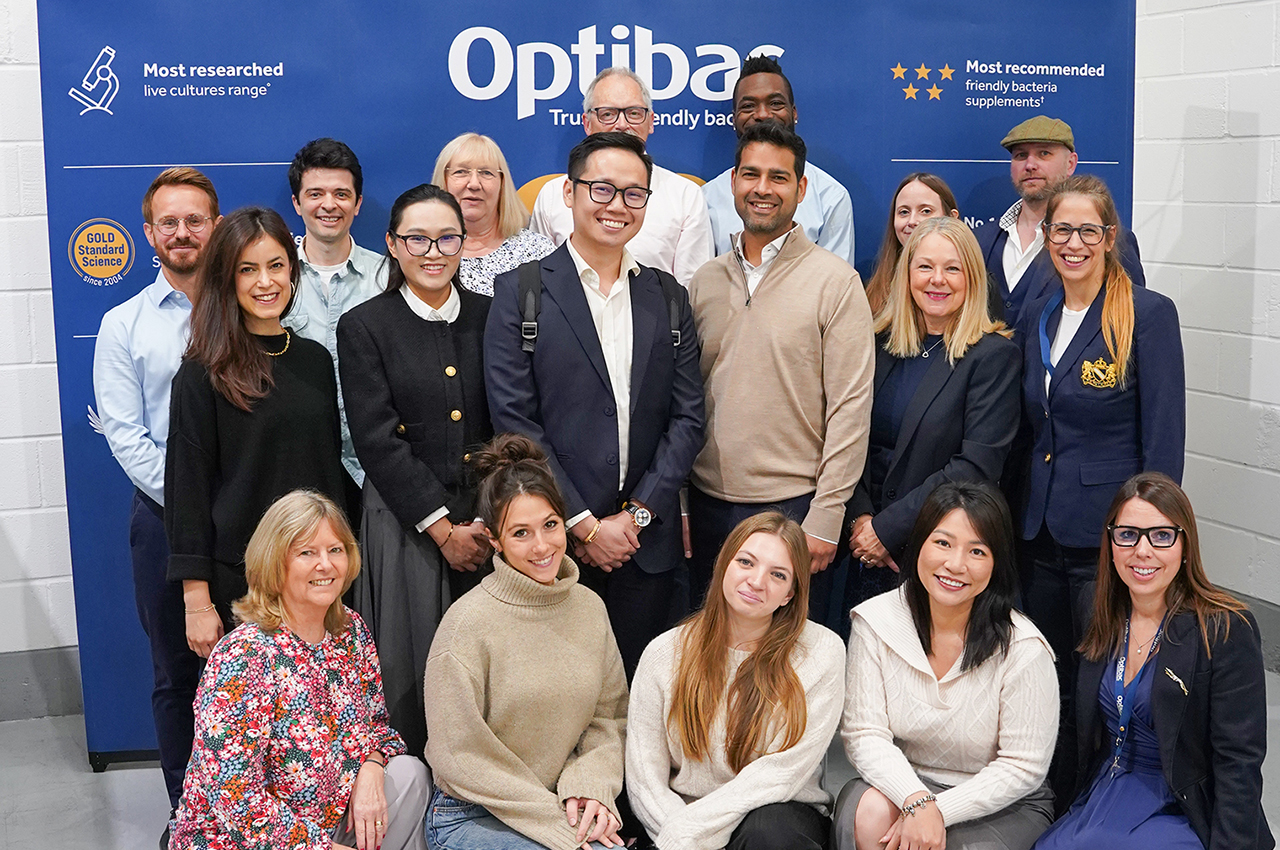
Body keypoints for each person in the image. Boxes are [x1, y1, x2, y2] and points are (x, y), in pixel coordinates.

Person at [486, 131, 705, 678]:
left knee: (647, 698)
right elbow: (515, 420)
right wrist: (582, 523)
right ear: (569, 192)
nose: (617, 206)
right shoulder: (521, 290)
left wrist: (635, 516)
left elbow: (687, 417)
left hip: (645, 545)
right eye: (602, 189)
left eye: (635, 194)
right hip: (552, 548)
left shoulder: (668, 295)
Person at [1015, 175, 1185, 780]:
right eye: (1062, 230)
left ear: (1110, 237)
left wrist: (1149, 540)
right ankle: (1052, 796)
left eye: (1089, 230)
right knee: (1047, 676)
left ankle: (1101, 797)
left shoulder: (1147, 314)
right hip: (1038, 535)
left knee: (1103, 683)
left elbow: (1163, 442)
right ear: (1047, 237)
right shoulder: (1038, 314)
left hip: (1107, 538)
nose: (1074, 243)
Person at [687, 120, 874, 625]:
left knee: (790, 667)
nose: (763, 189)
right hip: (708, 509)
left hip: (795, 509)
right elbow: (684, 403)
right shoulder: (703, 283)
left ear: (801, 188)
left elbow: (850, 409)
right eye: (751, 175)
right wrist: (680, 502)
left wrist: (827, 514)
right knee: (713, 658)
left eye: (779, 177)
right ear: (733, 182)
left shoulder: (836, 283)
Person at [170, 490, 429, 850]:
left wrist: (371, 766)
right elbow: (235, 797)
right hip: (244, 840)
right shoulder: (243, 656)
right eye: (307, 552)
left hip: (330, 818)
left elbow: (377, 727)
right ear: (276, 562)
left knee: (410, 775)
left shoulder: (350, 631)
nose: (325, 564)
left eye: (335, 550)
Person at [1033, 472, 1273, 850]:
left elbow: (1238, 762)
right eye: (1127, 535)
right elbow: (1075, 728)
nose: (1142, 551)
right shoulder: (1095, 606)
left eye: (1161, 536)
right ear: (1110, 543)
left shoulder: (1225, 629)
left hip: (1181, 805)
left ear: (1185, 545)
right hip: (1103, 789)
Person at [336, 184, 493, 758]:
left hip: (489, 523)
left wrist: (485, 519)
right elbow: (376, 439)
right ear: (392, 245)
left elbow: (508, 423)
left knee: (487, 665)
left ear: (464, 242)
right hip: (407, 524)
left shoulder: (491, 315)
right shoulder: (364, 326)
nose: (433, 251)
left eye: (446, 237)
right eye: (417, 239)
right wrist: (444, 528)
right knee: (411, 664)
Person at [92, 166, 220, 843]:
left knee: (257, 666)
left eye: (194, 220)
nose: (181, 232)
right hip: (165, 521)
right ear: (148, 234)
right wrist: (200, 503)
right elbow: (127, 438)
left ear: (215, 226)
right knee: (177, 673)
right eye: (167, 222)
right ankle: (190, 813)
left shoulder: (250, 306)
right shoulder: (123, 325)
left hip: (250, 525)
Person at [423, 433, 628, 850]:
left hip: (559, 805)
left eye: (550, 525)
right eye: (520, 533)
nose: (541, 546)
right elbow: (460, 756)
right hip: (470, 815)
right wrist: (555, 825)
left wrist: (589, 787)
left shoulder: (589, 608)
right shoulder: (466, 625)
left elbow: (609, 719)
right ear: (495, 541)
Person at [835, 481, 1058, 850]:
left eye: (977, 551)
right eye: (943, 543)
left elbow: (1023, 767)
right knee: (869, 813)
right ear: (919, 543)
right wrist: (916, 800)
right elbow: (864, 734)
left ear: (997, 562)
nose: (956, 564)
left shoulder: (1024, 647)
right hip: (904, 783)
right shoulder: (875, 621)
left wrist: (936, 811)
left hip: (998, 803)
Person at [166, 206, 347, 648]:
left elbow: (328, 468)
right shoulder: (202, 372)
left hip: (319, 578)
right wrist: (197, 602)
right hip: (243, 584)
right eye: (248, 270)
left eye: (276, 266)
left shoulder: (315, 360)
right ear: (227, 278)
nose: (265, 282)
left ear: (292, 269)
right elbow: (186, 489)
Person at [627, 511, 845, 850]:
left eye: (778, 574)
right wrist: (682, 837)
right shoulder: (665, 652)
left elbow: (782, 773)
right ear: (723, 565)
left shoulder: (822, 652)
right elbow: (645, 778)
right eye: (746, 562)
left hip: (775, 815)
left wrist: (694, 830)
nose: (757, 581)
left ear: (790, 593)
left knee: (769, 833)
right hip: (677, 822)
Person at [846, 216, 1020, 609]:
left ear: (972, 277)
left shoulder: (994, 356)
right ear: (907, 275)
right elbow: (847, 436)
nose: (936, 279)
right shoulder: (878, 343)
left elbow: (974, 467)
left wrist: (886, 530)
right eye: (924, 266)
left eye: (952, 268)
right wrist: (859, 521)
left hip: (940, 557)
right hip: (861, 551)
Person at [529, 66, 714, 286]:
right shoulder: (553, 194)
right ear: (587, 123)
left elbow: (691, 289)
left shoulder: (685, 195)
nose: (622, 124)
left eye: (634, 113)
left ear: (651, 121)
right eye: (608, 114)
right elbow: (538, 283)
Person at [284, 138, 387, 514]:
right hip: (296, 472)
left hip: (376, 473)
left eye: (342, 194)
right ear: (297, 203)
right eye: (315, 194)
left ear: (358, 204)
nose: (329, 205)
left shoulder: (388, 277)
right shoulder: (273, 282)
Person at [976, 115, 1146, 327]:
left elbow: (1132, 321)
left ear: (1071, 163)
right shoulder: (981, 239)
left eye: (1043, 153)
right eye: (1021, 155)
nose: (1030, 165)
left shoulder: (1111, 242)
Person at [702, 54, 857, 265]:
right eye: (748, 106)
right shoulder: (707, 198)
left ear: (794, 113)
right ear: (734, 118)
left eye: (775, 103)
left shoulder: (831, 197)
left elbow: (835, 287)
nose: (763, 114)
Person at [431, 131, 555, 296]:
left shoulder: (538, 252)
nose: (474, 184)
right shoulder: (423, 252)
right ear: (443, 179)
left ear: (502, 185)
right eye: (461, 172)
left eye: (486, 173)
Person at [863, 173, 959, 314]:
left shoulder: (978, 286)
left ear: (952, 218)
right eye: (904, 212)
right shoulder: (873, 291)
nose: (912, 221)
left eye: (926, 211)